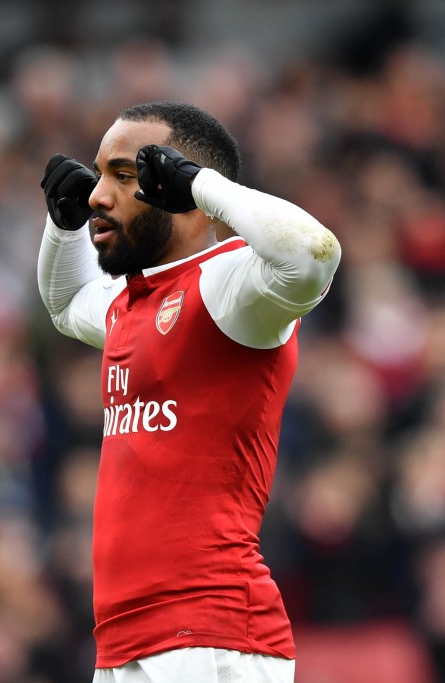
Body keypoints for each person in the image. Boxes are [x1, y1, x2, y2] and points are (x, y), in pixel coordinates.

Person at [37, 101, 341, 683]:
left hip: (213, 639)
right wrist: (61, 226)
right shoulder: (132, 301)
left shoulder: (234, 285)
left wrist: (202, 184)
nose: (99, 195)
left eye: (123, 177)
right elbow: (64, 304)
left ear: (173, 184)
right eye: (98, 175)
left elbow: (313, 255)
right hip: (128, 641)